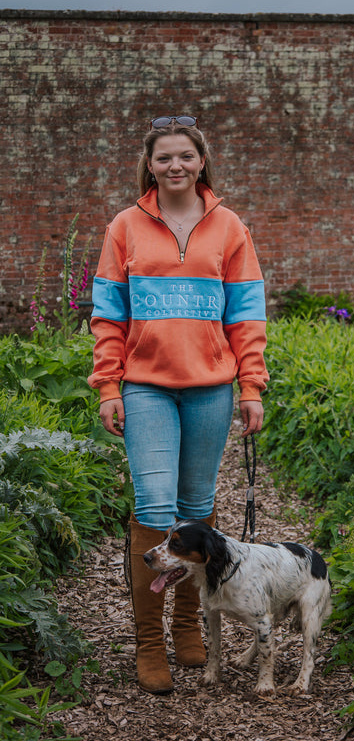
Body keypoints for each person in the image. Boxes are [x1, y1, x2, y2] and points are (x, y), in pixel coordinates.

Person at [88, 115, 269, 694]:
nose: (175, 166)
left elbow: (245, 316)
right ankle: (149, 645)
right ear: (150, 164)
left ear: (201, 161)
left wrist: (250, 387)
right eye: (164, 157)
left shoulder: (230, 227)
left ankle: (190, 624)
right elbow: (108, 314)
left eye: (185, 156)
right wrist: (109, 386)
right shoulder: (125, 226)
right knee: (154, 506)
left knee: (196, 505)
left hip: (211, 389)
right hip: (145, 387)